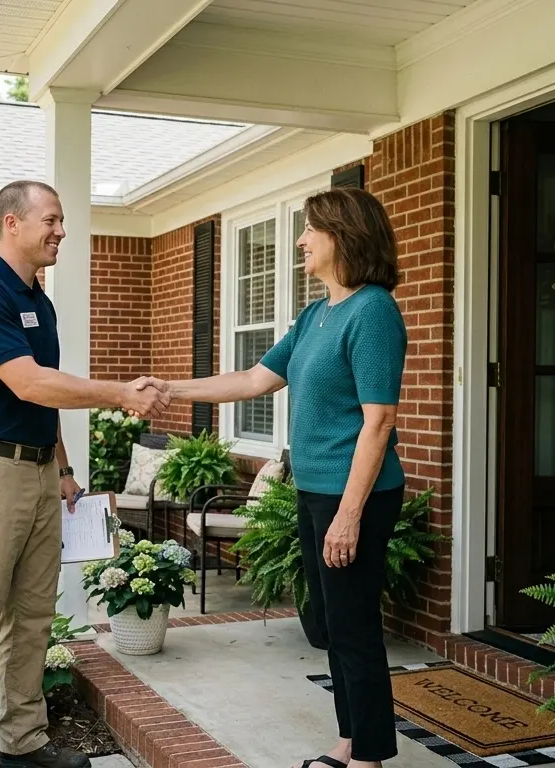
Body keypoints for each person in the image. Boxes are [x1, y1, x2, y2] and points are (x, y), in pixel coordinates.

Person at [159, 187, 407, 768]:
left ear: (342, 234)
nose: (300, 240)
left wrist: (348, 514)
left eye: (309, 229)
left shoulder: (373, 312)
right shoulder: (317, 314)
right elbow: (252, 381)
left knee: (351, 626)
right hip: (316, 489)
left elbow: (379, 423)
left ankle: (366, 755)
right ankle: (351, 738)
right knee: (325, 624)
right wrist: (170, 389)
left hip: (357, 495)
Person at [0, 179, 171, 768]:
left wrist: (63, 468)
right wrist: (119, 394)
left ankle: (23, 742)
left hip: (39, 476)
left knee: (34, 618)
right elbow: (29, 382)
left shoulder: (39, 299)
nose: (61, 231)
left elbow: (45, 400)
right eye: (52, 220)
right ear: (12, 223)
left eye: (61, 221)